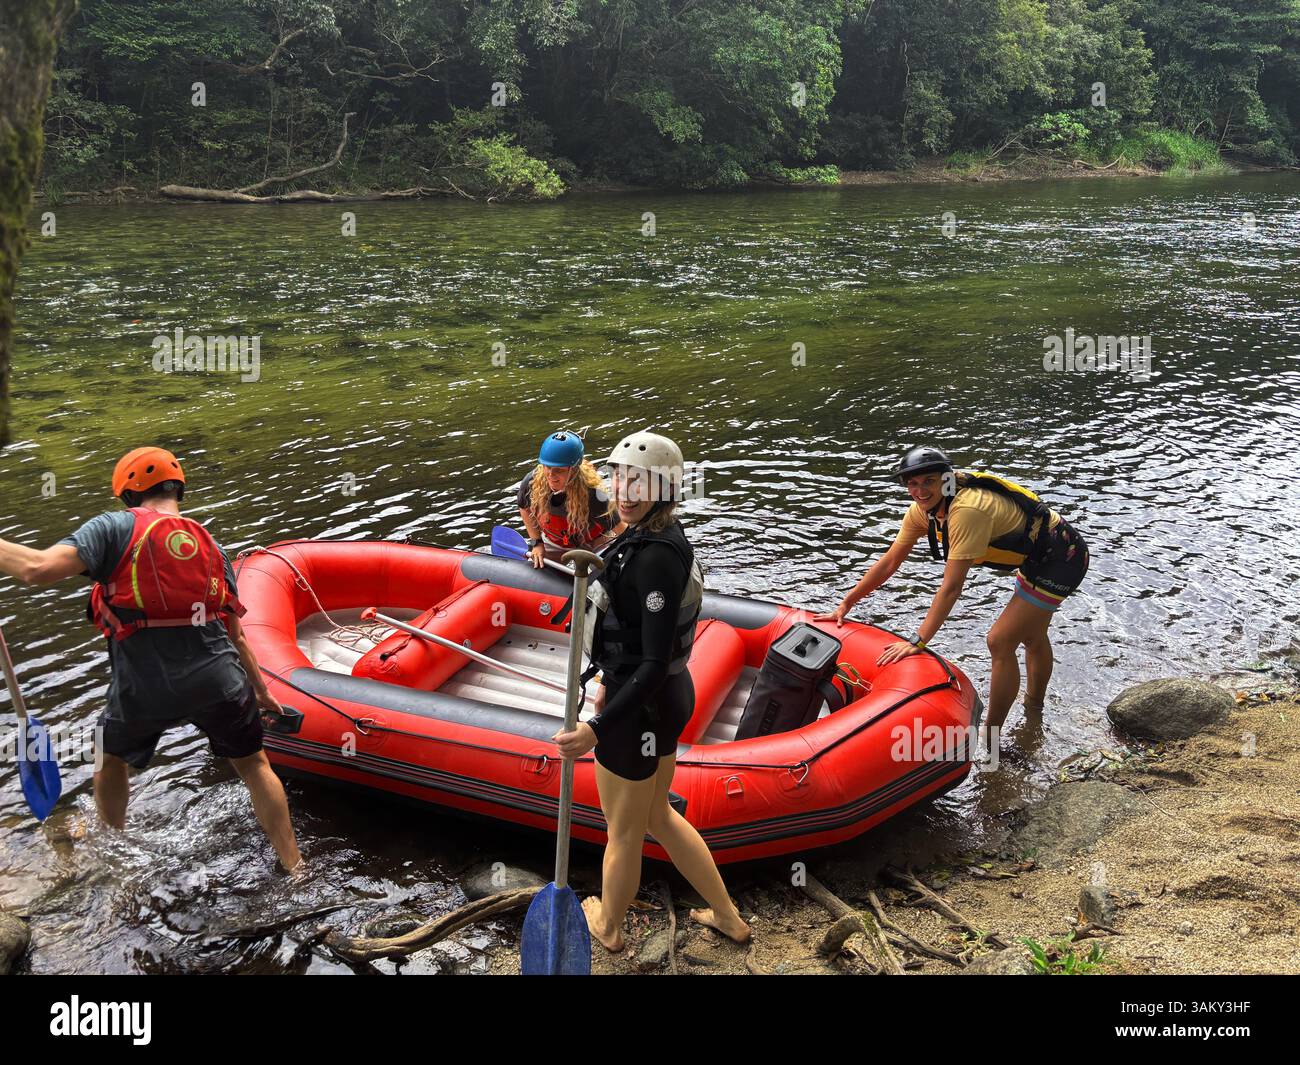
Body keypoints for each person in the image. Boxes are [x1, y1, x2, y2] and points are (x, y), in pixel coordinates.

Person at [0, 447, 301, 871]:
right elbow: (236, 635)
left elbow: (36, 568)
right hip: (221, 681)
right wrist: (261, 691)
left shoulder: (113, 527)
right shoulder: (210, 544)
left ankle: (111, 851)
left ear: (127, 492)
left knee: (108, 758)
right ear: (178, 488)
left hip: (145, 687)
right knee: (254, 765)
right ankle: (294, 866)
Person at [552, 430, 751, 951]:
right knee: (658, 814)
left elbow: (654, 661)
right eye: (621, 478)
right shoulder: (655, 536)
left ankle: (609, 927)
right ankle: (728, 917)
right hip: (661, 701)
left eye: (641, 482)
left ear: (665, 489)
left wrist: (599, 727)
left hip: (641, 708)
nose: (626, 490)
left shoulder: (654, 557)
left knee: (624, 831)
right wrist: (608, 688)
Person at [817, 446, 1089, 751]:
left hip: (1063, 556)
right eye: (913, 484)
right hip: (1038, 555)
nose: (920, 491)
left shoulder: (967, 512)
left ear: (946, 480)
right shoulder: (924, 511)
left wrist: (917, 641)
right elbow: (890, 561)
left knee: (1000, 640)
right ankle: (1034, 711)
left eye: (929, 482)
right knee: (1032, 635)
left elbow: (951, 587)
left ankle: (991, 735)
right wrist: (847, 602)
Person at [517, 430, 620, 567]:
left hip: (594, 543)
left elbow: (621, 529)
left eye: (559, 470)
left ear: (574, 470)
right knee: (536, 568)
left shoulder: (594, 495)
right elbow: (524, 507)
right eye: (547, 467)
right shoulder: (532, 482)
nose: (551, 476)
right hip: (555, 542)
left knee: (600, 578)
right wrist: (537, 543)